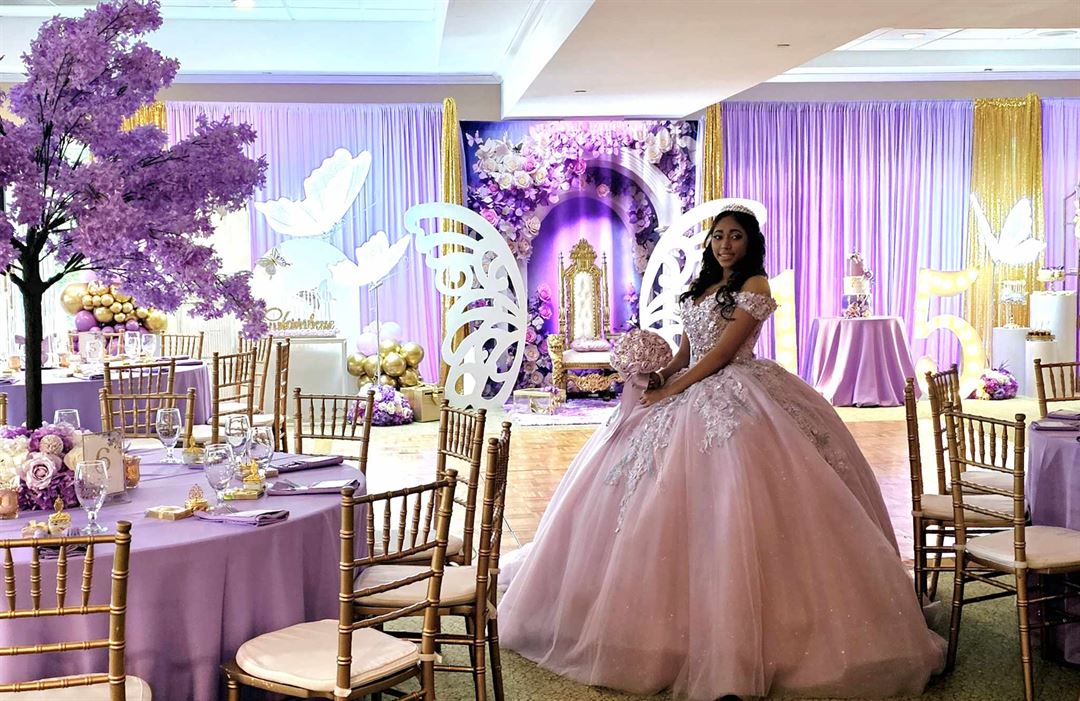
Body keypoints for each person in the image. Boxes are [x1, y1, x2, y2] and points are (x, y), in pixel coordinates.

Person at [499, 206, 945, 700]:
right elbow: (687, 352)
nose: (725, 244)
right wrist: (658, 376)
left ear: (749, 242)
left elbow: (722, 354)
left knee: (744, 491)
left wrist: (673, 390)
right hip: (690, 382)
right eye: (718, 237)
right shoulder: (700, 286)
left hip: (738, 389)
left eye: (735, 236)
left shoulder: (755, 285)